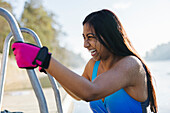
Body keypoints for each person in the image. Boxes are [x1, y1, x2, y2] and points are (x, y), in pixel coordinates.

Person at [12, 9, 157, 113]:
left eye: (90, 37)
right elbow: (77, 94)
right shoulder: (93, 65)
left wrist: (44, 59)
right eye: (84, 37)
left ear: (108, 36)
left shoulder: (131, 65)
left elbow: (90, 92)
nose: (85, 45)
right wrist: (47, 67)